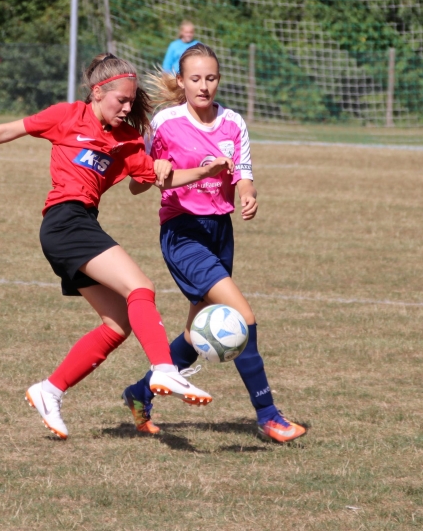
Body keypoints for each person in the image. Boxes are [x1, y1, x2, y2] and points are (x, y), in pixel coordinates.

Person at [0, 53, 235, 440]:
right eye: (121, 100)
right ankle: (164, 369)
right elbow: (7, 130)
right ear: (97, 92)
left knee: (118, 324)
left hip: (81, 223)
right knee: (140, 287)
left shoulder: (127, 140)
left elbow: (155, 181)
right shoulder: (68, 116)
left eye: (131, 101)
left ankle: (50, 390)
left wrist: (198, 170)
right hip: (64, 221)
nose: (127, 107)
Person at [122, 42, 307, 443]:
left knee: (196, 335)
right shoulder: (165, 123)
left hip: (220, 231)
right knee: (242, 317)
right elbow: (137, 184)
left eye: (210, 78)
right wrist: (156, 170)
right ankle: (269, 415)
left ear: (219, 80)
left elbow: (244, 174)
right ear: (181, 82)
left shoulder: (233, 122)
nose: (203, 86)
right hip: (183, 232)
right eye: (195, 79)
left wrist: (248, 194)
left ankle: (139, 394)